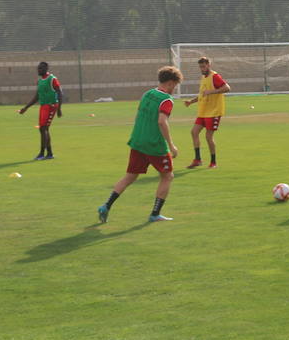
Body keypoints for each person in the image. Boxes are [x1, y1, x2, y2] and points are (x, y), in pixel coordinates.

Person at [98, 66, 183, 223]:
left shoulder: (147, 94)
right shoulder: (166, 100)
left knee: (130, 176)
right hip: (154, 145)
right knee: (167, 176)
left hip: (137, 141)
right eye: (175, 85)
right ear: (171, 83)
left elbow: (138, 116)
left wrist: (139, 135)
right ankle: (155, 214)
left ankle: (106, 206)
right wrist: (171, 145)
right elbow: (162, 122)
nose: (175, 88)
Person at [184, 56, 230, 168]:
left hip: (213, 112)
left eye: (204, 66)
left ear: (209, 65)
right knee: (194, 132)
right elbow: (202, 95)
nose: (202, 69)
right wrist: (191, 101)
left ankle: (213, 162)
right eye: (200, 67)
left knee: (208, 137)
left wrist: (212, 91)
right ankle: (197, 160)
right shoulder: (203, 77)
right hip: (203, 111)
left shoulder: (215, 76)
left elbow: (227, 88)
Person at [18, 61, 62, 160]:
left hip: (51, 105)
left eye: (41, 68)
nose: (38, 70)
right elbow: (37, 96)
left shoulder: (52, 79)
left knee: (43, 128)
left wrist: (59, 108)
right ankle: (49, 153)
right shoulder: (40, 81)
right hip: (43, 106)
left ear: (46, 69)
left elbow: (60, 93)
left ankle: (42, 153)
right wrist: (25, 108)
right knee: (43, 129)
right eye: (38, 68)